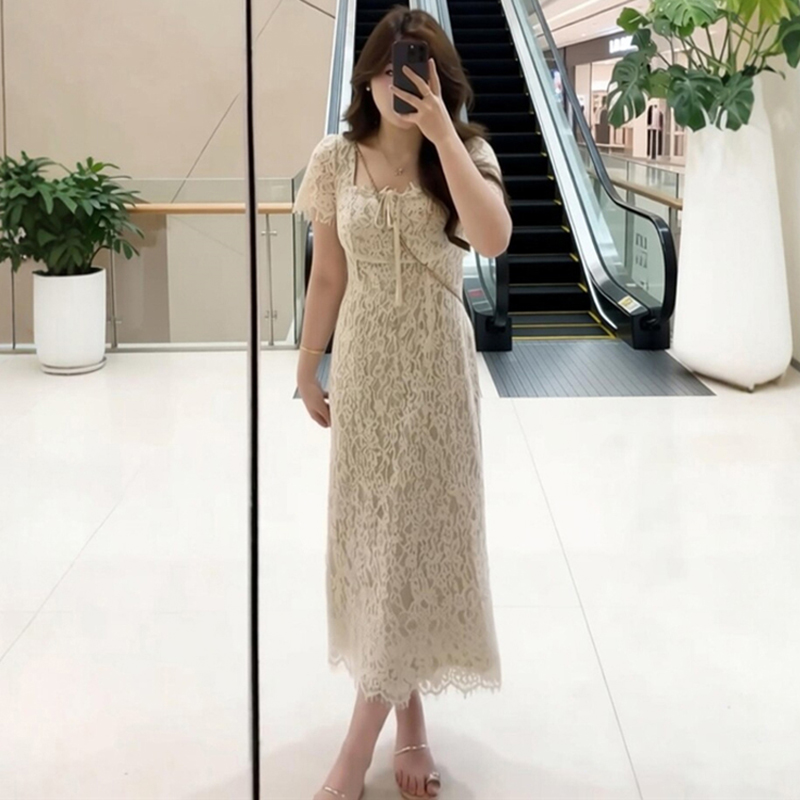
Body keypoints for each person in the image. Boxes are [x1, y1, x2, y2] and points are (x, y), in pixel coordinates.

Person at [292, 9, 512, 800]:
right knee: (379, 547)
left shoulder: (465, 153)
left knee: (414, 541)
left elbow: (492, 239)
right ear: (367, 78)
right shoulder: (334, 159)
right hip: (365, 371)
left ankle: (355, 756)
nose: (398, 82)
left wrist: (445, 136)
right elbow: (327, 275)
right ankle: (409, 718)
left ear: (439, 81)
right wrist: (307, 366)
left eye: (415, 68)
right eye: (387, 67)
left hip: (435, 375)